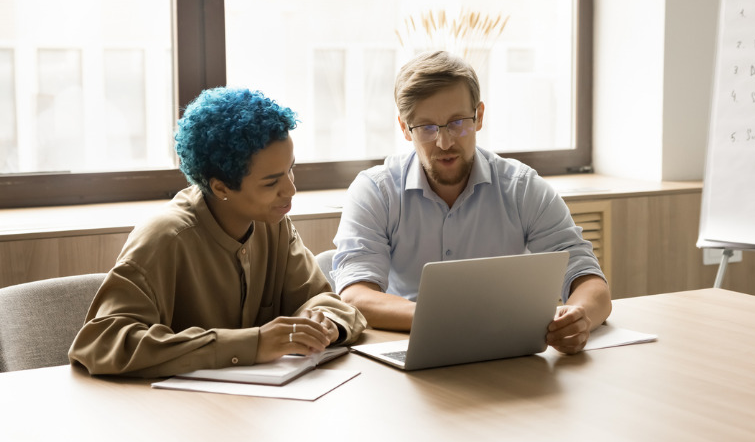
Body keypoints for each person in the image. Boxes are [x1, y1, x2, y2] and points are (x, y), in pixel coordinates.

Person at [69, 87, 366, 377]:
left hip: (261, 409)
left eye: (291, 169)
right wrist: (254, 344)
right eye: (271, 182)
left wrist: (322, 324)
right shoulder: (165, 237)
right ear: (220, 187)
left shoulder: (272, 223)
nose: (291, 189)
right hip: (172, 415)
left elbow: (325, 301)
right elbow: (100, 342)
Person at [332, 50, 611, 354]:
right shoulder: (376, 191)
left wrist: (579, 316)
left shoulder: (522, 188)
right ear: (403, 128)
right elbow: (355, 295)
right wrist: (450, 321)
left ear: (479, 116)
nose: (445, 142)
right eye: (426, 128)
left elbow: (590, 282)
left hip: (503, 355)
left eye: (457, 123)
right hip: (408, 350)